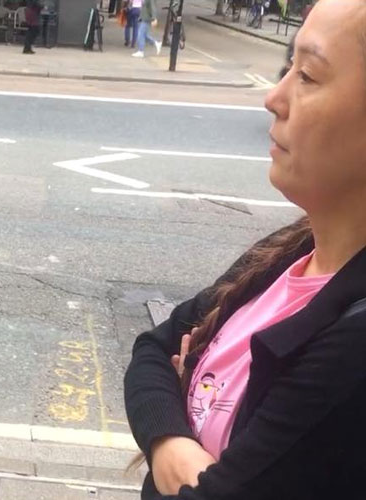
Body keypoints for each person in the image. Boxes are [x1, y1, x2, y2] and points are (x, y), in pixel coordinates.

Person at [124, 0, 366, 498]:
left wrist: (175, 404)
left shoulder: (352, 346)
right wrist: (176, 445)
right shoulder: (290, 250)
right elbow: (153, 348)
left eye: (310, 76)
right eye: (287, 68)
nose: (274, 98)